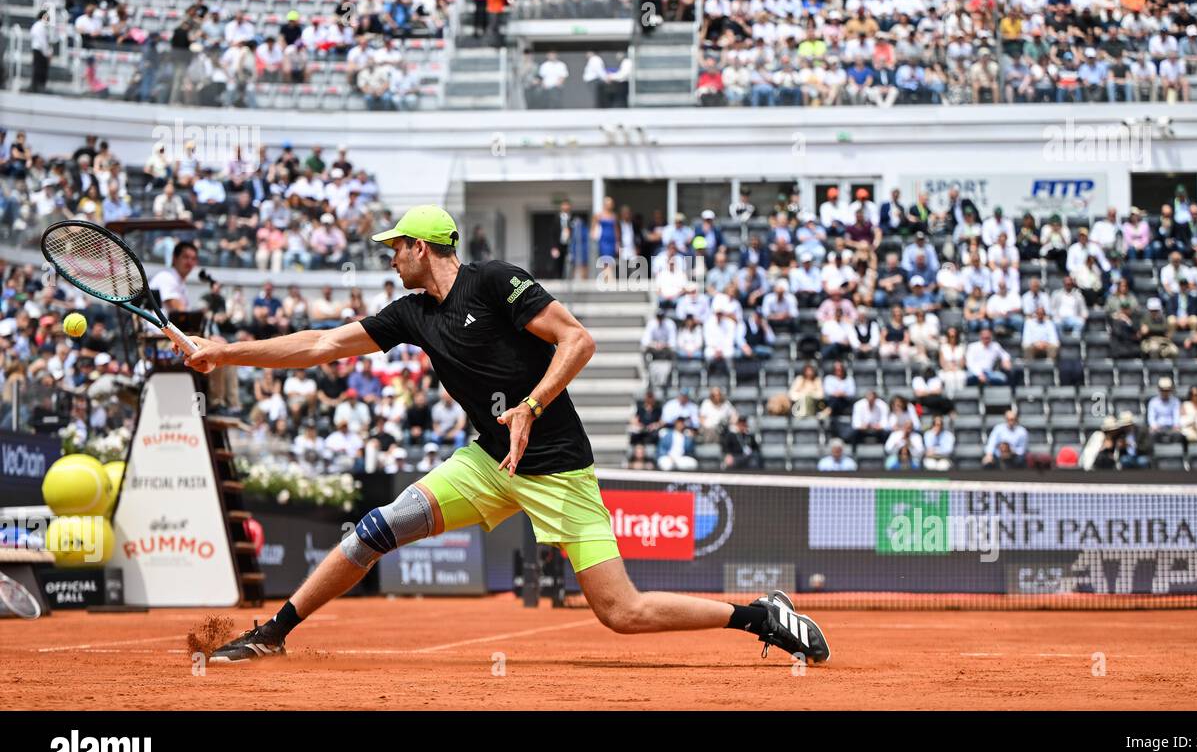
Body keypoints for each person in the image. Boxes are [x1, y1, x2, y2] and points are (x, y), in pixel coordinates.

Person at [190, 205, 828, 664]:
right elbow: (320, 344)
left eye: (397, 246)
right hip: (489, 462)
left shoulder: (494, 282)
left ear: (423, 247)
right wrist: (226, 351)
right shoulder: (411, 313)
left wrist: (531, 404)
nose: (391, 257)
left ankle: (757, 616)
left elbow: (579, 339)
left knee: (620, 613)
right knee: (378, 528)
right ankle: (275, 630)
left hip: (555, 465)